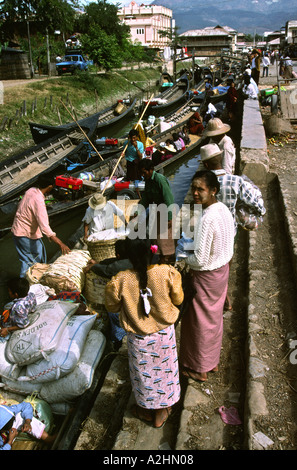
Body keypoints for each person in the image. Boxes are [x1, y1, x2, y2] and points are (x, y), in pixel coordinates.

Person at [105, 238, 184, 428]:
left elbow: (112, 306)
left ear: (129, 257)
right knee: (165, 372)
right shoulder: (167, 273)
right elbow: (179, 298)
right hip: (164, 335)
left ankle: (146, 408)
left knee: (144, 374)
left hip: (138, 338)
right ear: (152, 252)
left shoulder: (120, 281)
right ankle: (162, 411)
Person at [179, 170, 234, 382]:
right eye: (193, 188)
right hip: (221, 272)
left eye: (200, 189)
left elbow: (200, 259)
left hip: (205, 276)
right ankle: (212, 363)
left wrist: (184, 259)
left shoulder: (207, 217)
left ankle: (199, 368)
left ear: (213, 190)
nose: (195, 193)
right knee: (213, 321)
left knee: (198, 322)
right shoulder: (223, 209)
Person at [199, 143, 266, 310]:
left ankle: (220, 299)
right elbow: (257, 204)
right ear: (220, 159)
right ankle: (224, 297)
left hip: (208, 231)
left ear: (206, 165)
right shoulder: (235, 181)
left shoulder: (201, 185)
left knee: (210, 268)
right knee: (225, 264)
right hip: (229, 231)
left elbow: (191, 210)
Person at [11, 174, 70, 278]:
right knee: (32, 263)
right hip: (25, 234)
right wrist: (61, 243)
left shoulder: (31, 190)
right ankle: (26, 284)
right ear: (50, 187)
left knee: (27, 259)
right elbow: (44, 227)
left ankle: (24, 283)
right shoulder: (38, 201)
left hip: (17, 230)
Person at [84, 239, 132, 349]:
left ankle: (118, 343)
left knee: (115, 316)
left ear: (118, 255)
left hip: (125, 304)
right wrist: (98, 263)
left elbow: (107, 270)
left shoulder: (122, 266)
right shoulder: (133, 259)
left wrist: (93, 267)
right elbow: (111, 263)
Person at [138, 158, 176, 264]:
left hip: (166, 209)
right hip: (158, 209)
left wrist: (169, 217)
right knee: (155, 236)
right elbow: (145, 198)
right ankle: (161, 257)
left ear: (151, 170)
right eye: (141, 173)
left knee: (164, 237)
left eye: (144, 172)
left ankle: (167, 259)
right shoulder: (147, 181)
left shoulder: (159, 179)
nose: (142, 175)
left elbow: (169, 199)